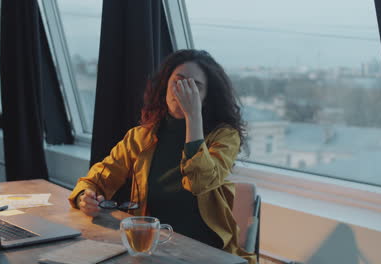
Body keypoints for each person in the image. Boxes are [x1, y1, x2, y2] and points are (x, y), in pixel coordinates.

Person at [68, 49, 256, 263]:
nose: (183, 90)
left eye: (194, 86)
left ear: (206, 98)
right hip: (151, 248)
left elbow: (200, 182)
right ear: (165, 87)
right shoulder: (141, 137)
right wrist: (85, 196)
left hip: (205, 251)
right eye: (178, 81)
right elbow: (96, 179)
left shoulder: (224, 136)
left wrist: (193, 117)